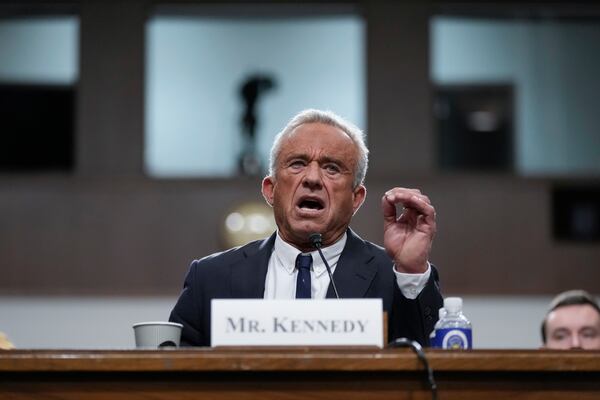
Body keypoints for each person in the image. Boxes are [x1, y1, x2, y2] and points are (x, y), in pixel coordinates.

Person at [170, 109, 443, 346]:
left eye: (332, 168)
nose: (312, 178)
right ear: (271, 190)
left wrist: (411, 272)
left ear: (356, 198)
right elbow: (174, 378)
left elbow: (435, 370)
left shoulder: (393, 278)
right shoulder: (209, 278)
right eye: (298, 164)